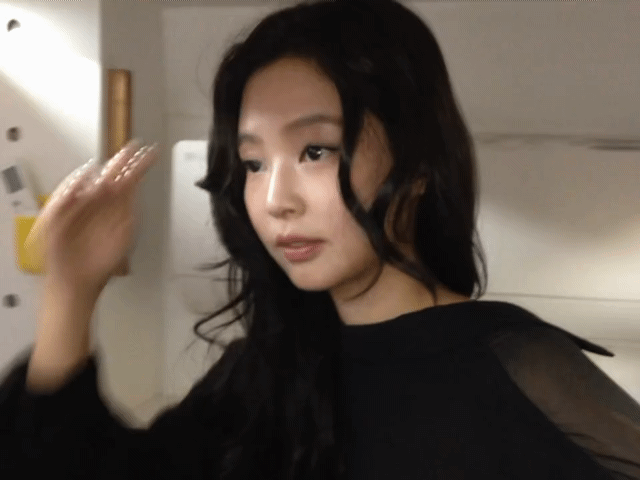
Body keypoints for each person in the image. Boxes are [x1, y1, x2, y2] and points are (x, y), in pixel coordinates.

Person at [1, 0, 639, 478]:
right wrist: (71, 292)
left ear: (417, 165)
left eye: (315, 151)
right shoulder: (264, 373)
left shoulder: (513, 365)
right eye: (254, 163)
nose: (275, 199)